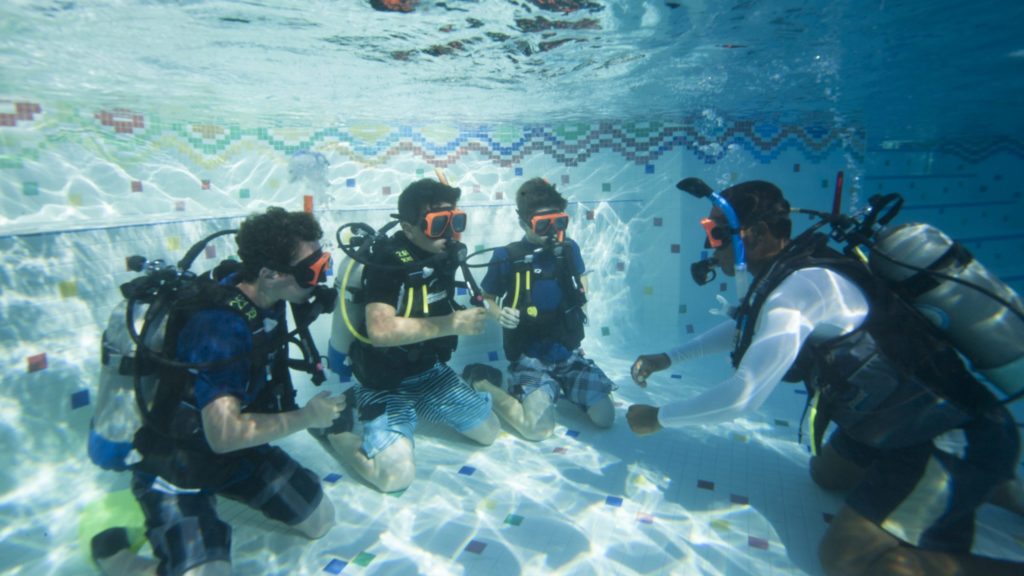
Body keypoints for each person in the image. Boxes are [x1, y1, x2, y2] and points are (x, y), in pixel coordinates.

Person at [627, 180, 1022, 576]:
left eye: (715, 233)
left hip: (948, 434)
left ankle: (981, 480)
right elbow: (747, 328)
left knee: (849, 558)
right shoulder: (790, 275)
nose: (711, 244)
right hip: (892, 428)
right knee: (825, 475)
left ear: (758, 233)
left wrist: (658, 418)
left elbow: (742, 396)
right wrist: (669, 357)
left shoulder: (802, 288)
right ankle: (992, 487)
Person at [98, 207, 347, 576]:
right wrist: (308, 417)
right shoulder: (220, 328)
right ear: (270, 274)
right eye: (312, 270)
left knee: (321, 520)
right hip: (178, 463)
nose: (320, 277)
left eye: (323, 264)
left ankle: (225, 494)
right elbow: (225, 434)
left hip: (238, 455)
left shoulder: (266, 294)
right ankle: (115, 559)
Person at [320, 179, 499, 493]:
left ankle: (424, 404)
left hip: (429, 372)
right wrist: (454, 322)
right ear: (409, 227)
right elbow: (381, 331)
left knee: (489, 431)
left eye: (456, 222)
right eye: (438, 224)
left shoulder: (441, 254)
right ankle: (335, 430)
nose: (449, 233)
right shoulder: (386, 262)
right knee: (395, 477)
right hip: (383, 380)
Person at [464, 178, 615, 440]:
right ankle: (481, 380)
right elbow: (485, 298)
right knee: (537, 431)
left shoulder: (569, 249)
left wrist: (580, 295)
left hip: (568, 354)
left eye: (559, 222)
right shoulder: (507, 256)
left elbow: (581, 278)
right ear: (524, 223)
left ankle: (562, 386)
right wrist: (498, 314)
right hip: (530, 357)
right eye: (542, 225)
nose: (552, 231)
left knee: (605, 418)